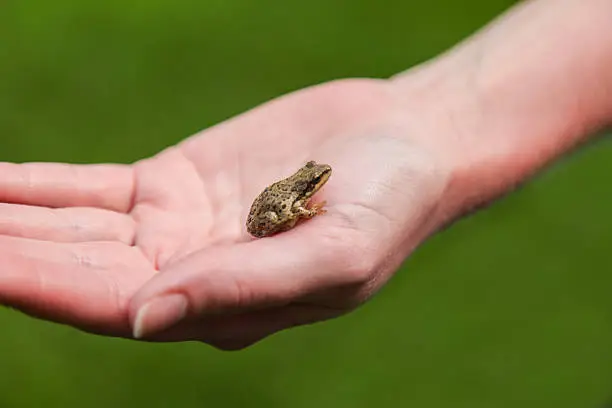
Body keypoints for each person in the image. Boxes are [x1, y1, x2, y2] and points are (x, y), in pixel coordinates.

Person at [0, 0, 610, 350]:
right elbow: (279, 210)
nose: (322, 184)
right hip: (262, 214)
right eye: (317, 182)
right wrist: (437, 112)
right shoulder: (301, 194)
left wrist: (432, 121)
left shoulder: (309, 182)